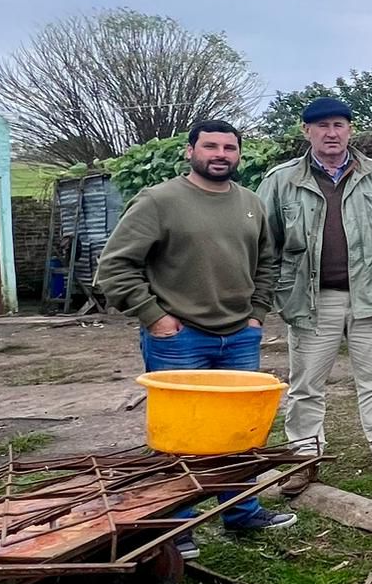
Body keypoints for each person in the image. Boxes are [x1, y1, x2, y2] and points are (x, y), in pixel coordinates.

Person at [95, 119, 294, 535]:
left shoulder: (251, 203)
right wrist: (155, 317)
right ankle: (179, 527)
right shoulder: (159, 201)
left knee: (239, 432)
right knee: (180, 437)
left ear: (238, 154)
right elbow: (115, 267)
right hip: (178, 337)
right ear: (190, 151)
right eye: (210, 146)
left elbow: (268, 263)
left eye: (229, 148)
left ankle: (242, 514)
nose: (220, 155)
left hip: (240, 335)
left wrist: (257, 313)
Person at [257, 95, 372, 486]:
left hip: (371, 296)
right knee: (306, 382)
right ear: (306, 130)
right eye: (322, 126)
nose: (331, 133)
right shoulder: (281, 181)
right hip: (311, 300)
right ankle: (305, 456)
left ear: (350, 130)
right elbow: (265, 244)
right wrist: (280, 291)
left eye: (339, 125)